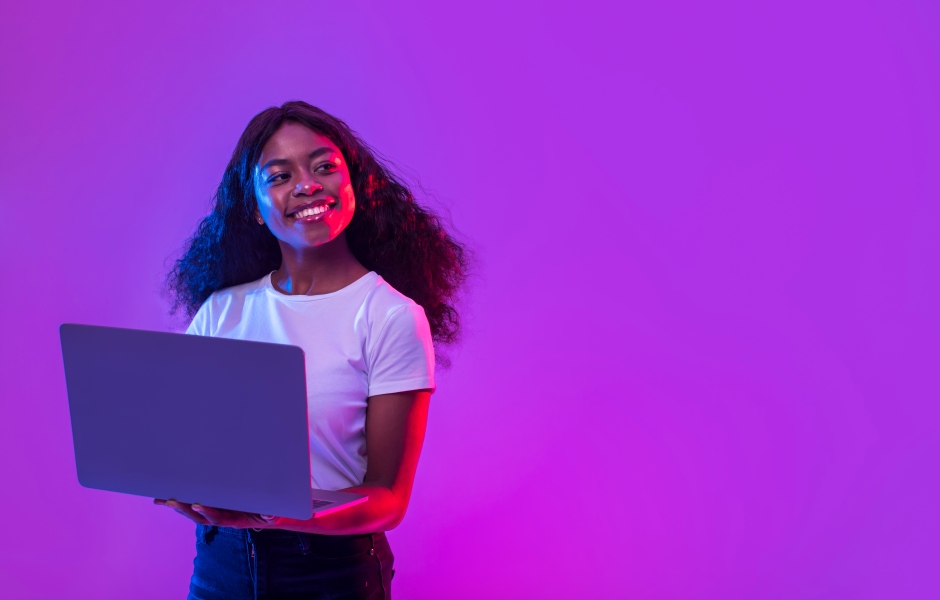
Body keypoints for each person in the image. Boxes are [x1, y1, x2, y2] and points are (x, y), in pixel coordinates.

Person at [159, 100, 468, 599]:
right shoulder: (221, 312)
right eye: (279, 176)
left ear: (357, 187)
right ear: (254, 209)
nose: (306, 184)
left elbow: (388, 500)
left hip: (329, 572)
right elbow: (192, 441)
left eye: (324, 166)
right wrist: (176, 478)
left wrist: (279, 510)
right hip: (222, 564)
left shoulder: (389, 316)